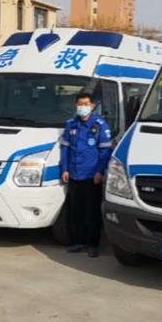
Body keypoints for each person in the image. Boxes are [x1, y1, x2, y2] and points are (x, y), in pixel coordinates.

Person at [59, 92, 113, 257]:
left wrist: (100, 172)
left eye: (86, 104)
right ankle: (77, 242)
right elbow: (65, 148)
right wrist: (65, 169)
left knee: (92, 212)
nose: (83, 107)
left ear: (92, 106)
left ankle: (93, 244)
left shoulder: (99, 125)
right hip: (74, 175)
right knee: (75, 211)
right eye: (80, 104)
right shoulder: (71, 124)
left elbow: (105, 151)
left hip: (91, 176)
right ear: (76, 105)